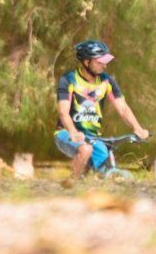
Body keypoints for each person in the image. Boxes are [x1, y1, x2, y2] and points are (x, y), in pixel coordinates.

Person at [54, 40, 150, 179]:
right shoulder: (68, 80)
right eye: (100, 62)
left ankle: (91, 187)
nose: (105, 65)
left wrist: (138, 128)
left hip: (94, 138)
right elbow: (63, 112)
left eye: (105, 61)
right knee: (85, 149)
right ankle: (71, 184)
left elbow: (123, 108)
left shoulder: (107, 81)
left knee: (107, 171)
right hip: (66, 133)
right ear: (87, 62)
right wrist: (73, 132)